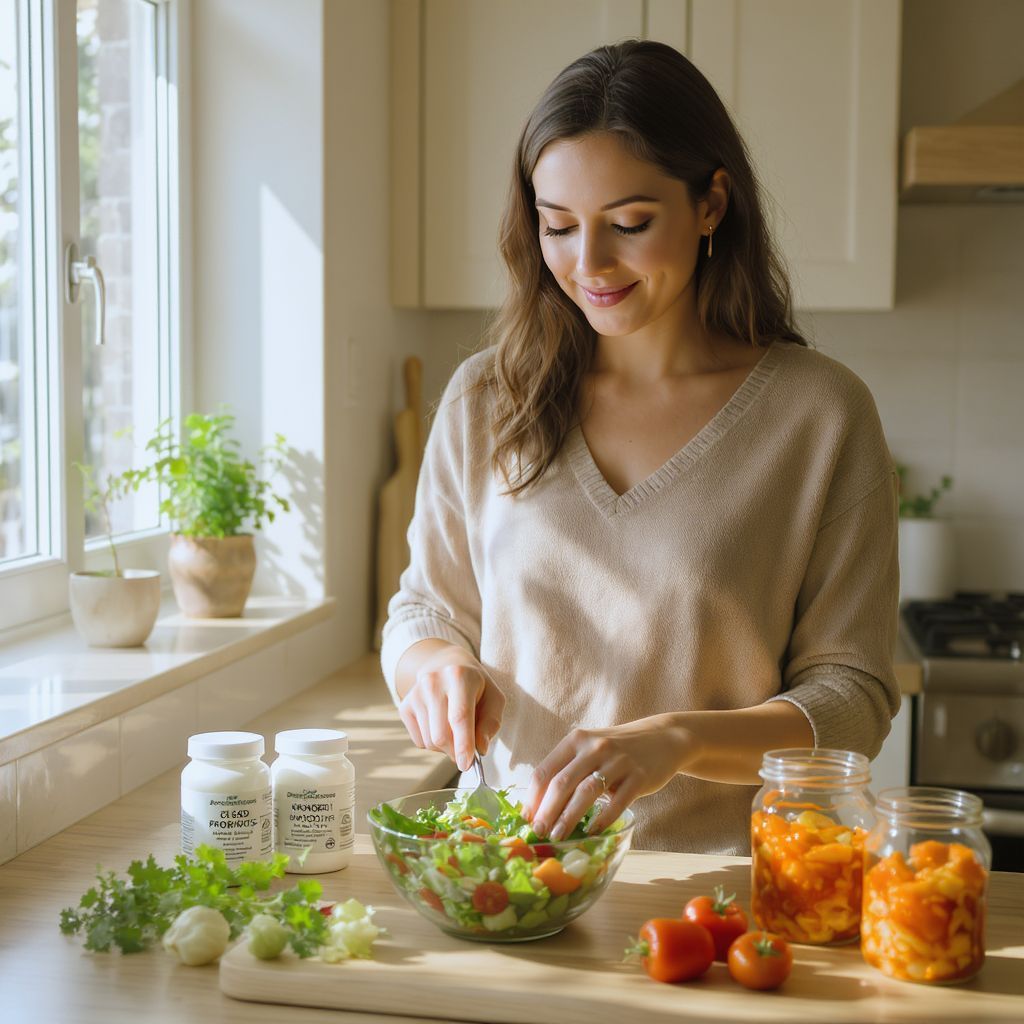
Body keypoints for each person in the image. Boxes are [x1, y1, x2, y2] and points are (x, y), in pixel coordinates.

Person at [380, 40, 899, 855]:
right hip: (511, 873)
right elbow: (423, 607)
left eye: (629, 223)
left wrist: (680, 742)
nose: (588, 265)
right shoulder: (489, 398)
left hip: (721, 899)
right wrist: (432, 664)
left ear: (712, 205)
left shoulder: (821, 415)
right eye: (558, 226)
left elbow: (854, 698)